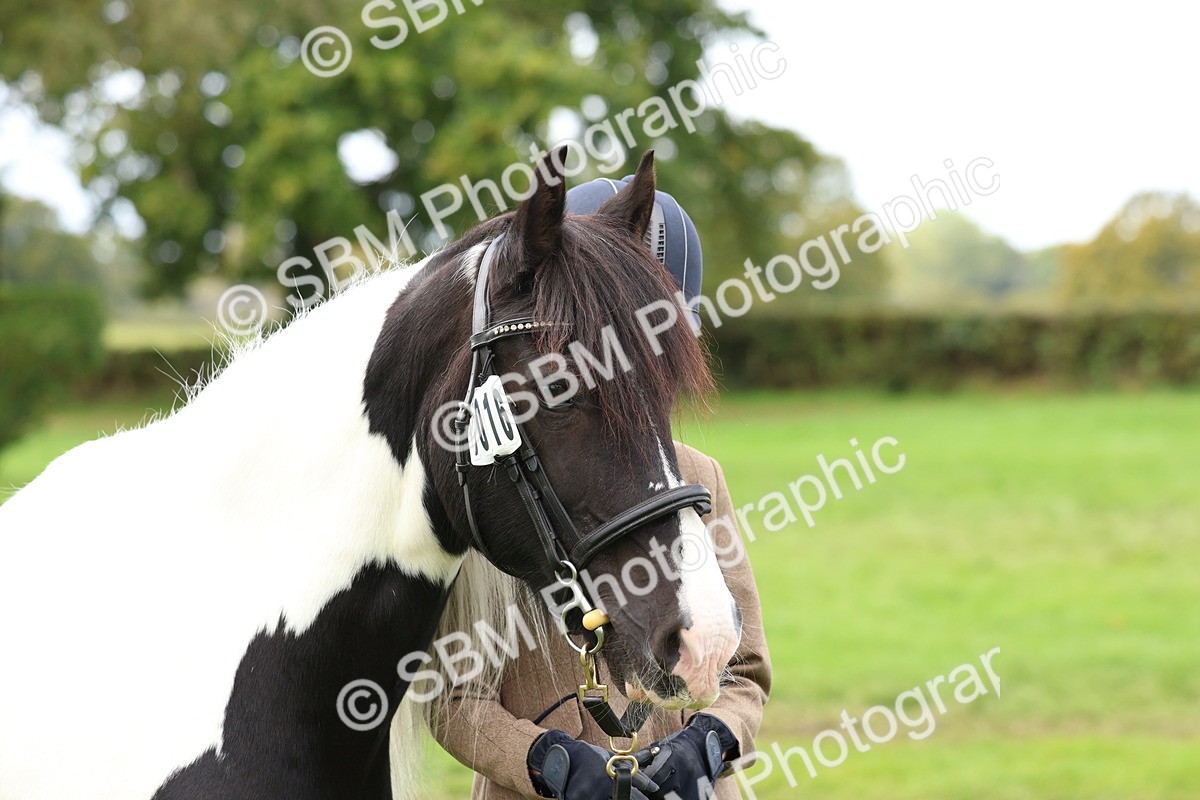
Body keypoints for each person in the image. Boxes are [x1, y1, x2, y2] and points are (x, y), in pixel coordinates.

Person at [428, 178, 772, 800]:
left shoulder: (700, 477)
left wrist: (709, 742)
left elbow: (745, 672)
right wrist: (546, 762)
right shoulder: (499, 481)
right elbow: (454, 698)